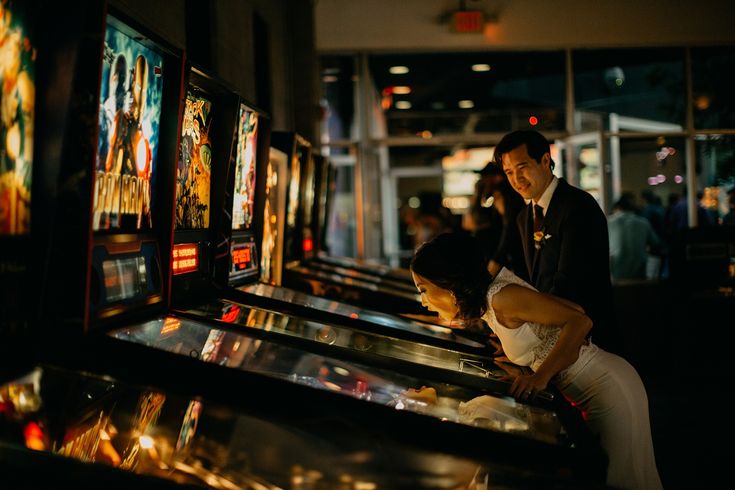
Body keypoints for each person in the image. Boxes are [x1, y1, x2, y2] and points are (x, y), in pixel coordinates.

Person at [410, 232, 662, 490]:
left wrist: (539, 377)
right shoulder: (493, 299)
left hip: (607, 386)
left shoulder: (501, 297)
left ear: (448, 283)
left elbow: (581, 322)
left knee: (622, 479)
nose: (424, 301)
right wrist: (526, 360)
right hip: (599, 385)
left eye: (424, 290)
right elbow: (575, 310)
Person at [494, 130, 621, 355]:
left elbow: (571, 282)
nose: (516, 179)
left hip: (587, 340)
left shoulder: (577, 206)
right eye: (509, 172)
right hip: (549, 337)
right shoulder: (524, 217)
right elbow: (531, 281)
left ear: (545, 160)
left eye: (522, 167)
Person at [608, 193, 662, 282]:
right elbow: (655, 243)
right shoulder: (644, 223)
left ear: (617, 208)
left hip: (615, 273)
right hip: (639, 273)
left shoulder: (608, 221)